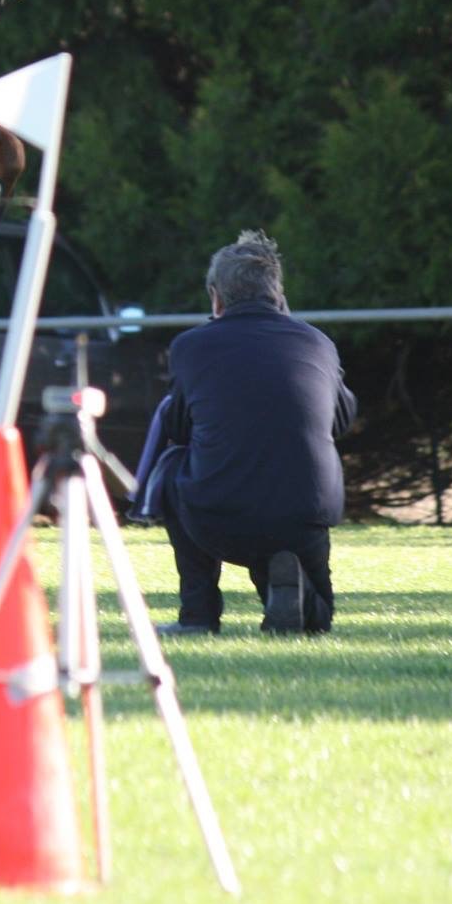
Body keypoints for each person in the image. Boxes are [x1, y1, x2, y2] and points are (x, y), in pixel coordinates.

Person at [156, 230, 357, 636]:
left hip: (217, 516)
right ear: (279, 294)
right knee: (316, 622)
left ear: (216, 297)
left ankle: (198, 614)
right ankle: (294, 593)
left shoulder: (190, 346)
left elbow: (175, 426)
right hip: (306, 512)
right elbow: (341, 420)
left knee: (172, 468)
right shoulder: (318, 343)